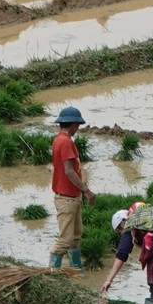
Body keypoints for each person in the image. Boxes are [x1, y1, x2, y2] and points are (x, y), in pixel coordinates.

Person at [49, 106, 90, 270]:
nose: (78, 128)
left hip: (71, 196)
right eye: (77, 125)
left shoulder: (59, 139)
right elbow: (69, 171)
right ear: (72, 124)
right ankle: (52, 271)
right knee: (66, 239)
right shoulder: (65, 142)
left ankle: (76, 270)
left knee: (75, 236)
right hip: (66, 198)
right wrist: (86, 190)